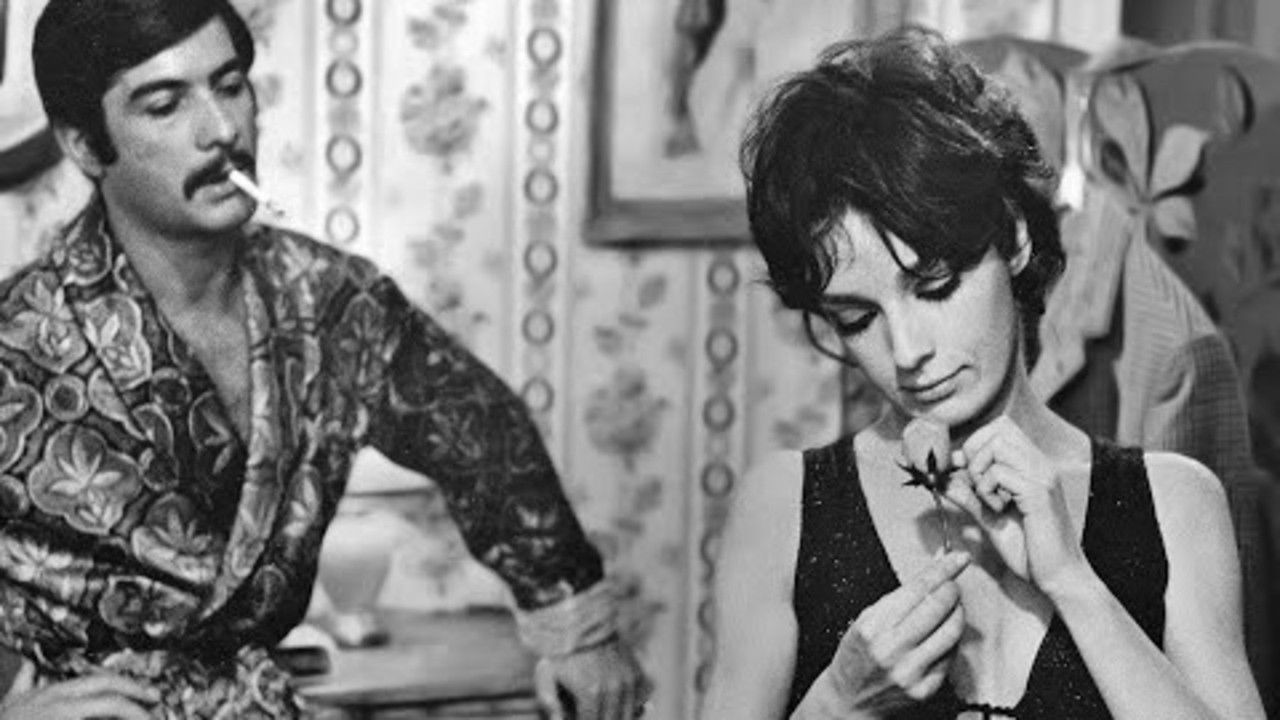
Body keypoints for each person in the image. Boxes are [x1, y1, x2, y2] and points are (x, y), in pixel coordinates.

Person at [0, 0, 646, 717]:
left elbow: (481, 432)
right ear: (85, 145)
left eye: (230, 86)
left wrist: (578, 632)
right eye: (165, 105)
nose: (221, 130)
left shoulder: (325, 298)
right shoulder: (17, 340)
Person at [703, 26, 1265, 720]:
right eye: (857, 318)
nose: (907, 352)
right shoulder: (782, 506)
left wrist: (1074, 583)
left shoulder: (1176, 503)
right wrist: (837, 703)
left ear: (1015, 238)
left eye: (935, 287)